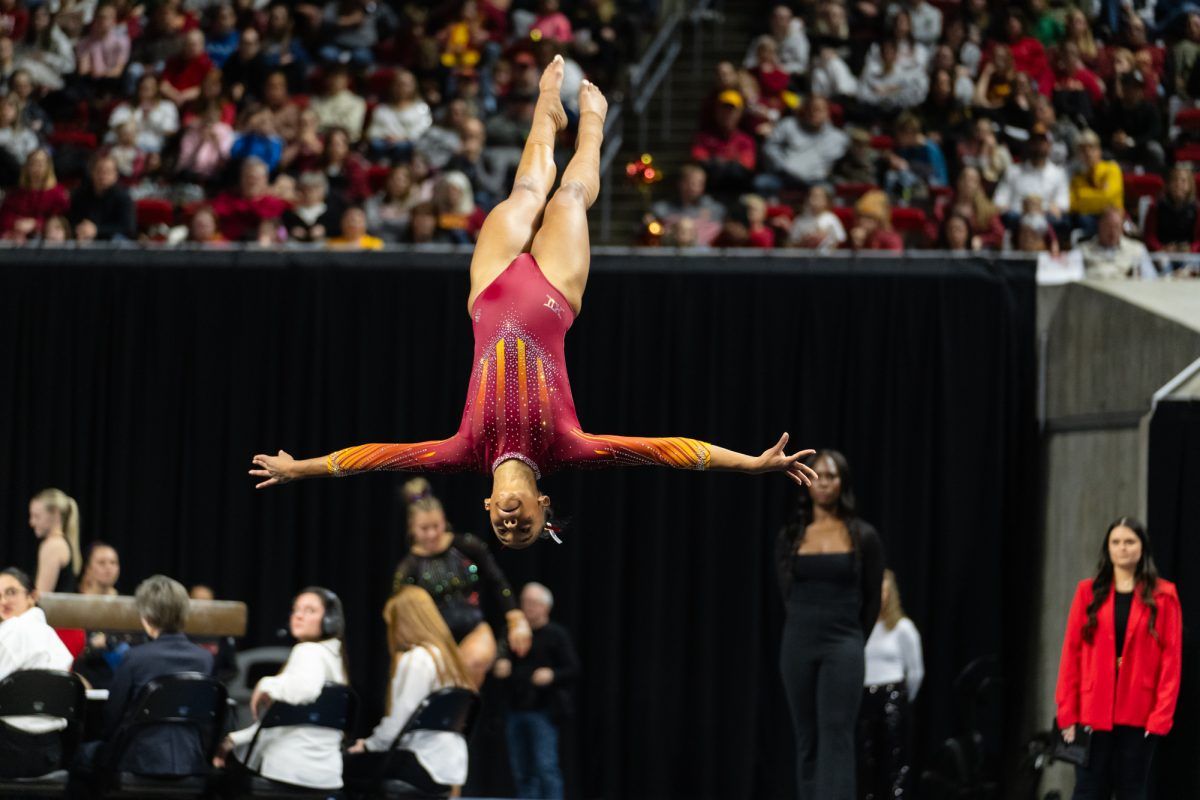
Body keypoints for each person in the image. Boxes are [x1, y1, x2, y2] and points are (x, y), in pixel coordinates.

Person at [249, 58, 819, 548]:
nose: (511, 526)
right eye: (525, 530)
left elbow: (373, 458)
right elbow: (669, 452)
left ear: (486, 511)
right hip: (553, 293)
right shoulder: (567, 446)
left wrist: (302, 468)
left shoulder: (465, 450)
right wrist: (750, 463)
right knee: (568, 194)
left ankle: (547, 106)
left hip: (490, 291)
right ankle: (592, 125)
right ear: (545, 504)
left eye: (503, 531)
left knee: (524, 190)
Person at [776, 449, 884, 800]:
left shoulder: (863, 536)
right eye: (818, 474)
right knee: (806, 737)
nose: (825, 483)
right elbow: (786, 594)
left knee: (836, 735)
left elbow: (871, 599)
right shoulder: (791, 537)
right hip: (798, 641)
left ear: (844, 483)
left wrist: (853, 639)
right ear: (807, 481)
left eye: (833, 476)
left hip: (843, 642)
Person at [1055, 518, 1183, 800]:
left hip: (1139, 713)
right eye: (1116, 542)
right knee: (1087, 791)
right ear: (1107, 548)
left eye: (1129, 542)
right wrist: (1067, 712)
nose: (1122, 548)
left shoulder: (1164, 596)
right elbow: (1071, 654)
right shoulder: (1087, 592)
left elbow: (1171, 662)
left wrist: (1160, 718)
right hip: (1091, 711)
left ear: (1142, 548)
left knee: (1131, 791)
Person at [70, 575, 214, 789]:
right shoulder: (204, 659)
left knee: (79, 756)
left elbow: (113, 715)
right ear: (185, 613)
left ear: (145, 616)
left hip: (140, 759)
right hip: (190, 759)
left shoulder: (135, 658)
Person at [392, 478, 529, 686]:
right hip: (434, 640)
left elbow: (497, 580)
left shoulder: (467, 546)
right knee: (443, 685)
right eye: (424, 528)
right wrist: (400, 653)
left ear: (444, 520)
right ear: (412, 529)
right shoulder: (408, 568)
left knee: (470, 666)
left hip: (474, 629)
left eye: (436, 526)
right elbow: (399, 615)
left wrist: (516, 618)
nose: (431, 534)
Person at [215, 587, 349, 791]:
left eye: (310, 610)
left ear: (330, 619)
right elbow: (282, 723)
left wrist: (266, 683)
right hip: (327, 775)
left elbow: (304, 691)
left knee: (221, 781)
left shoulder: (308, 651)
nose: (299, 616)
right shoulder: (335, 657)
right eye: (296, 610)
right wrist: (234, 739)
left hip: (288, 771)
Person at [343, 586, 473, 795]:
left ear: (404, 622)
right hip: (450, 768)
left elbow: (399, 721)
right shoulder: (450, 660)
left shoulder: (416, 659)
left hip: (420, 764)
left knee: (344, 766)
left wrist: (367, 745)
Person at [494, 582, 578, 800]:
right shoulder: (511, 632)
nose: (527, 607)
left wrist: (552, 674)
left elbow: (573, 669)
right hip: (515, 708)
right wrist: (500, 665)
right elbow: (500, 657)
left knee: (545, 766)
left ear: (545, 607)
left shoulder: (556, 635)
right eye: (524, 602)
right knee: (522, 769)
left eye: (533, 603)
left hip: (544, 710)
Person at [0, 567, 74, 778]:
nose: (4, 600)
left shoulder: (10, 632)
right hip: (52, 751)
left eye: (11, 592)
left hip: (7, 750)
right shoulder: (53, 637)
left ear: (32, 596)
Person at [858, 569, 923, 800]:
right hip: (865, 697)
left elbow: (915, 671)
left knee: (894, 761)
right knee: (866, 761)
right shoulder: (861, 627)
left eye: (884, 591)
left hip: (892, 697)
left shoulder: (902, 628)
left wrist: (902, 699)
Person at [1077, 207, 1157, 280]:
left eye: (1116, 227)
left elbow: (1151, 278)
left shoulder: (1137, 249)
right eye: (1108, 226)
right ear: (1100, 226)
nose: (1112, 232)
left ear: (1122, 228)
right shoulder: (1082, 250)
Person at [28, 487, 81, 594]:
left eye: (37, 516)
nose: (32, 522)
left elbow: (42, 595)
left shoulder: (53, 546)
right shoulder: (59, 543)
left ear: (55, 514)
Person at [1144, 165, 1200, 253]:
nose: (1178, 184)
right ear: (1168, 184)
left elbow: (1198, 240)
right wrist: (1161, 248)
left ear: (1190, 185)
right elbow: (1149, 236)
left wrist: (1191, 249)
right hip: (1163, 253)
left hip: (1189, 254)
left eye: (1183, 181)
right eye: (1175, 180)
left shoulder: (1197, 208)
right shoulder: (1156, 206)